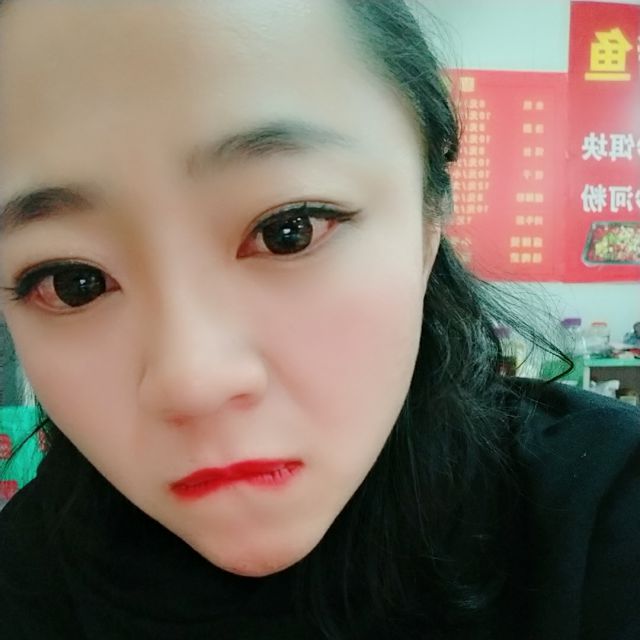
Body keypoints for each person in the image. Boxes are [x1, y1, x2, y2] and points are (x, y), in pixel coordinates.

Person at [0, 1, 638, 638]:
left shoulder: (604, 520)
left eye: (289, 231)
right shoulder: (25, 578)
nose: (193, 382)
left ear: (429, 216)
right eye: (73, 283)